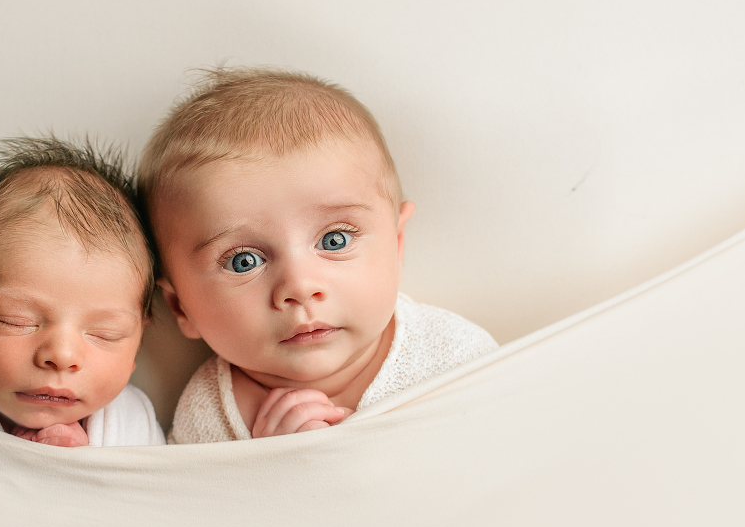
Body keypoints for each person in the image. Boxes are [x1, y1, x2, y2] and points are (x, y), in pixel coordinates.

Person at [139, 68, 497, 443]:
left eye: (335, 241)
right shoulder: (207, 416)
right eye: (244, 261)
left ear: (397, 244)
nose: (299, 287)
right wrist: (273, 463)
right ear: (181, 307)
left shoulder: (453, 356)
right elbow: (195, 485)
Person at [0, 137, 165, 447]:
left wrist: (81, 466)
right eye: (16, 320)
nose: (62, 355)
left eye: (106, 334)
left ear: (137, 345)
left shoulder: (133, 424)